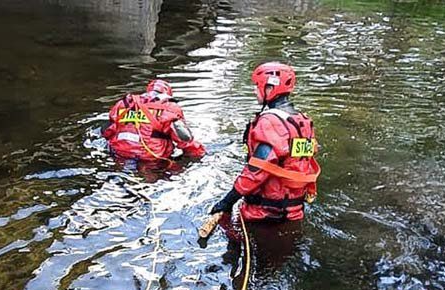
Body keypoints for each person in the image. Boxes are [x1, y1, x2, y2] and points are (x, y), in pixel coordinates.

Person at [207, 62, 320, 224]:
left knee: (237, 246)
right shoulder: (302, 121)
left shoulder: (270, 123)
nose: (254, 90)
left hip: (264, 214)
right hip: (294, 211)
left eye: (257, 85)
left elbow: (257, 171)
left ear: (269, 88)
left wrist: (227, 202)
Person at [102, 79, 206, 162]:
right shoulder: (168, 108)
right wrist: (200, 155)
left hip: (119, 153)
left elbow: (107, 131)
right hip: (150, 158)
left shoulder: (125, 104)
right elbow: (185, 139)